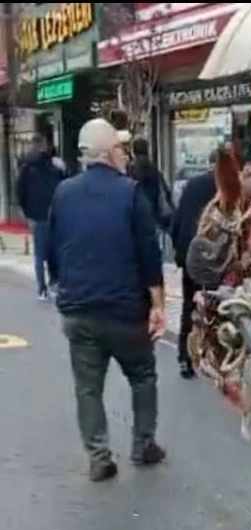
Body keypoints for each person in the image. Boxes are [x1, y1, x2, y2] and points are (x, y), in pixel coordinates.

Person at [47, 117, 166, 483]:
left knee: (88, 387)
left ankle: (99, 457)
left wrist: (64, 286)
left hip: (79, 311)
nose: (125, 155)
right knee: (142, 376)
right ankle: (143, 445)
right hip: (125, 312)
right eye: (121, 148)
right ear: (110, 152)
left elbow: (52, 250)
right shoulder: (131, 193)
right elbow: (149, 254)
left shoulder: (63, 193)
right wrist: (158, 305)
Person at [169, 152, 218, 379]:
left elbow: (177, 220)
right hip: (214, 259)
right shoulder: (225, 188)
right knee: (215, 306)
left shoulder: (192, 185)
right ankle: (212, 355)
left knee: (189, 305)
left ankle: (184, 357)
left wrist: (179, 253)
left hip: (189, 254)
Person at [16, 133, 65, 300]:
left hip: (37, 214)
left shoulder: (26, 167)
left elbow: (21, 191)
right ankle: (54, 281)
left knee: (39, 253)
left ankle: (42, 288)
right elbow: (62, 185)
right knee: (54, 250)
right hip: (53, 212)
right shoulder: (53, 166)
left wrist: (26, 211)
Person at [128, 136, 174, 234]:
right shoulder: (154, 169)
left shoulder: (130, 170)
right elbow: (165, 192)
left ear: (134, 151)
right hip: (154, 215)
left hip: (136, 214)